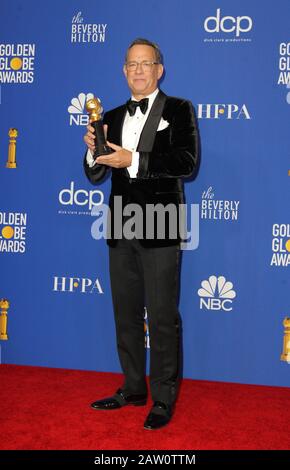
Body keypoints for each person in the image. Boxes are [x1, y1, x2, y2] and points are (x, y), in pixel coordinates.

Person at [83, 38, 199, 430]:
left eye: (145, 63)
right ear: (123, 70)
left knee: (163, 316)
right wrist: (91, 151)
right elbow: (96, 173)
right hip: (121, 223)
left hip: (161, 222)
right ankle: (133, 388)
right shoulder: (111, 116)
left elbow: (187, 162)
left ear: (159, 69)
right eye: (131, 64)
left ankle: (163, 398)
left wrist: (132, 159)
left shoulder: (179, 109)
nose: (138, 70)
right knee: (126, 314)